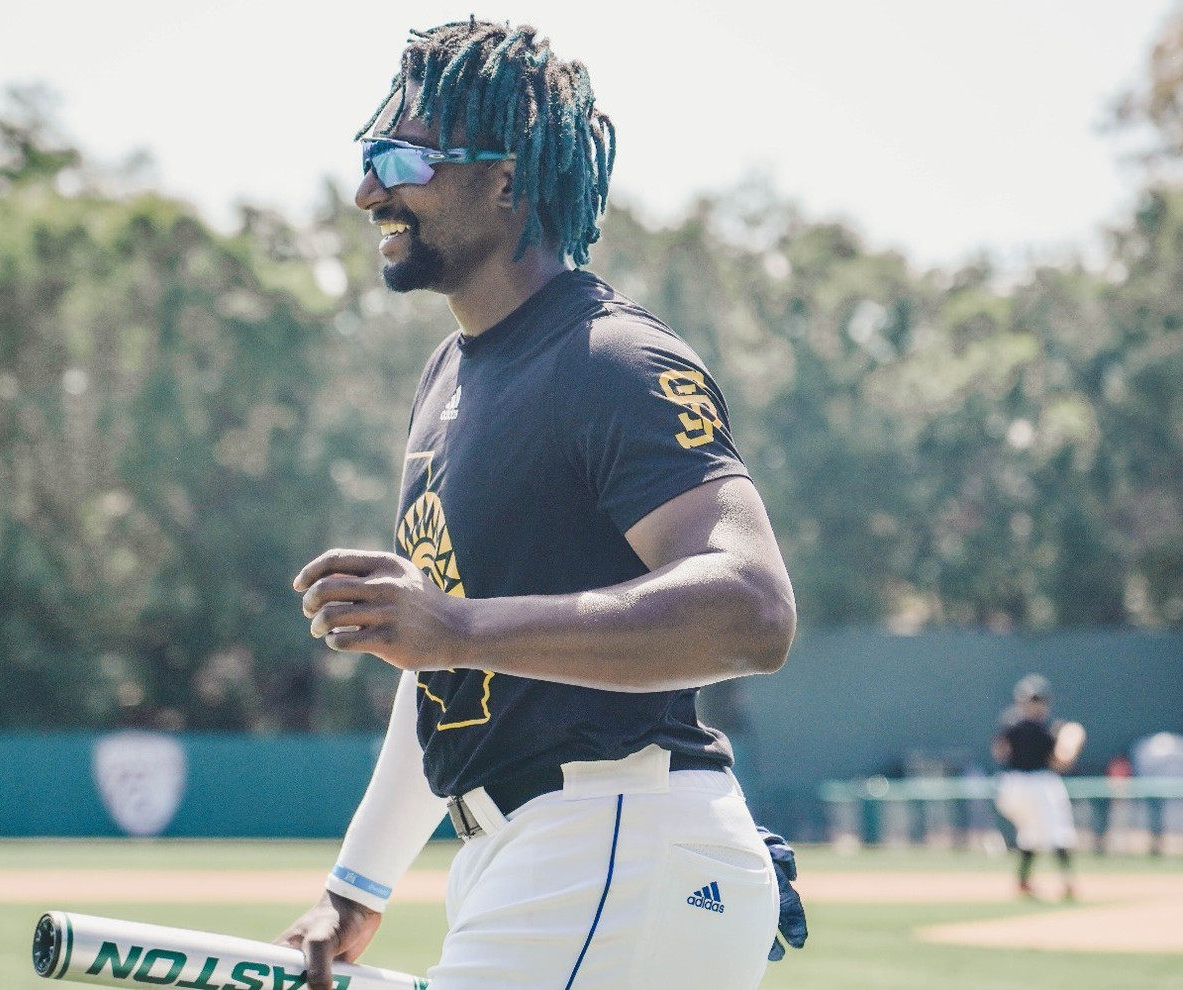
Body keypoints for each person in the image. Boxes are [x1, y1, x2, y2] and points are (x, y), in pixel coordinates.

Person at [276, 19, 804, 990]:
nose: (367, 191)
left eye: (401, 159)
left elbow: (755, 609)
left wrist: (460, 623)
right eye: (368, 157)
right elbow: (442, 665)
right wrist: (358, 885)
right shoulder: (450, 376)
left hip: (612, 840)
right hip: (536, 858)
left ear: (507, 181)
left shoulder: (610, 360)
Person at [992, 673, 1085, 900]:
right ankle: (1067, 882)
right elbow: (1060, 762)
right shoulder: (1045, 731)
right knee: (1058, 832)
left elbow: (999, 753)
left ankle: (1023, 882)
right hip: (1038, 783)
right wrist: (1071, 742)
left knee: (1031, 835)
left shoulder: (1009, 725)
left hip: (1010, 786)